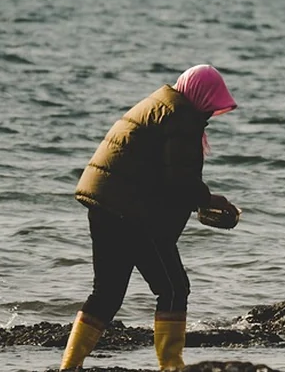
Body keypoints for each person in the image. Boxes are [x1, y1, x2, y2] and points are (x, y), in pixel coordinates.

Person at [60, 65, 240, 371]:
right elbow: (180, 181)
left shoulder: (159, 105)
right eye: (210, 104)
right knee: (173, 288)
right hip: (131, 212)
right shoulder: (182, 117)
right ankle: (172, 366)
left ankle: (69, 366)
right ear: (200, 97)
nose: (210, 113)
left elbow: (158, 174)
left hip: (105, 205)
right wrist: (209, 200)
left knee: (107, 294)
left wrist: (195, 200)